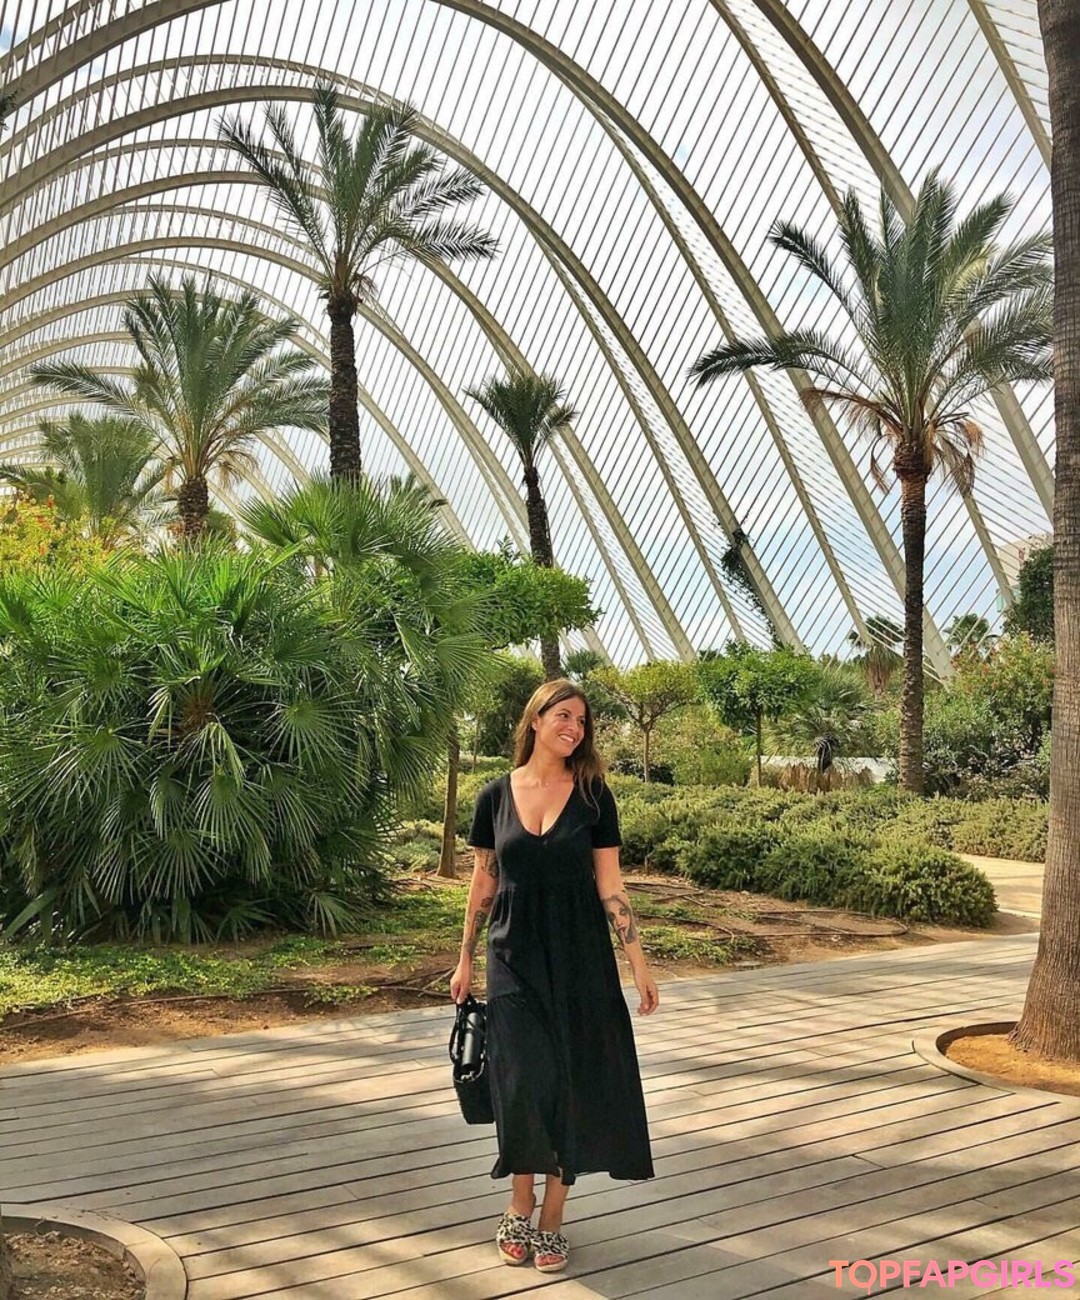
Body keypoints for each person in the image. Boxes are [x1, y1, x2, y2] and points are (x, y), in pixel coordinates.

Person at [450, 678, 659, 1274]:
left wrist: (638, 964)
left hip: (580, 958)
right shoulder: (495, 796)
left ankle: (552, 1216)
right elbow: (484, 881)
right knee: (521, 1080)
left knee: (571, 1079)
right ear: (535, 720)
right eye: (563, 715)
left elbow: (611, 886)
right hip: (511, 953)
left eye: (582, 720)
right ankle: (519, 1202)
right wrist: (465, 957)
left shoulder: (594, 797)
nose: (574, 727)